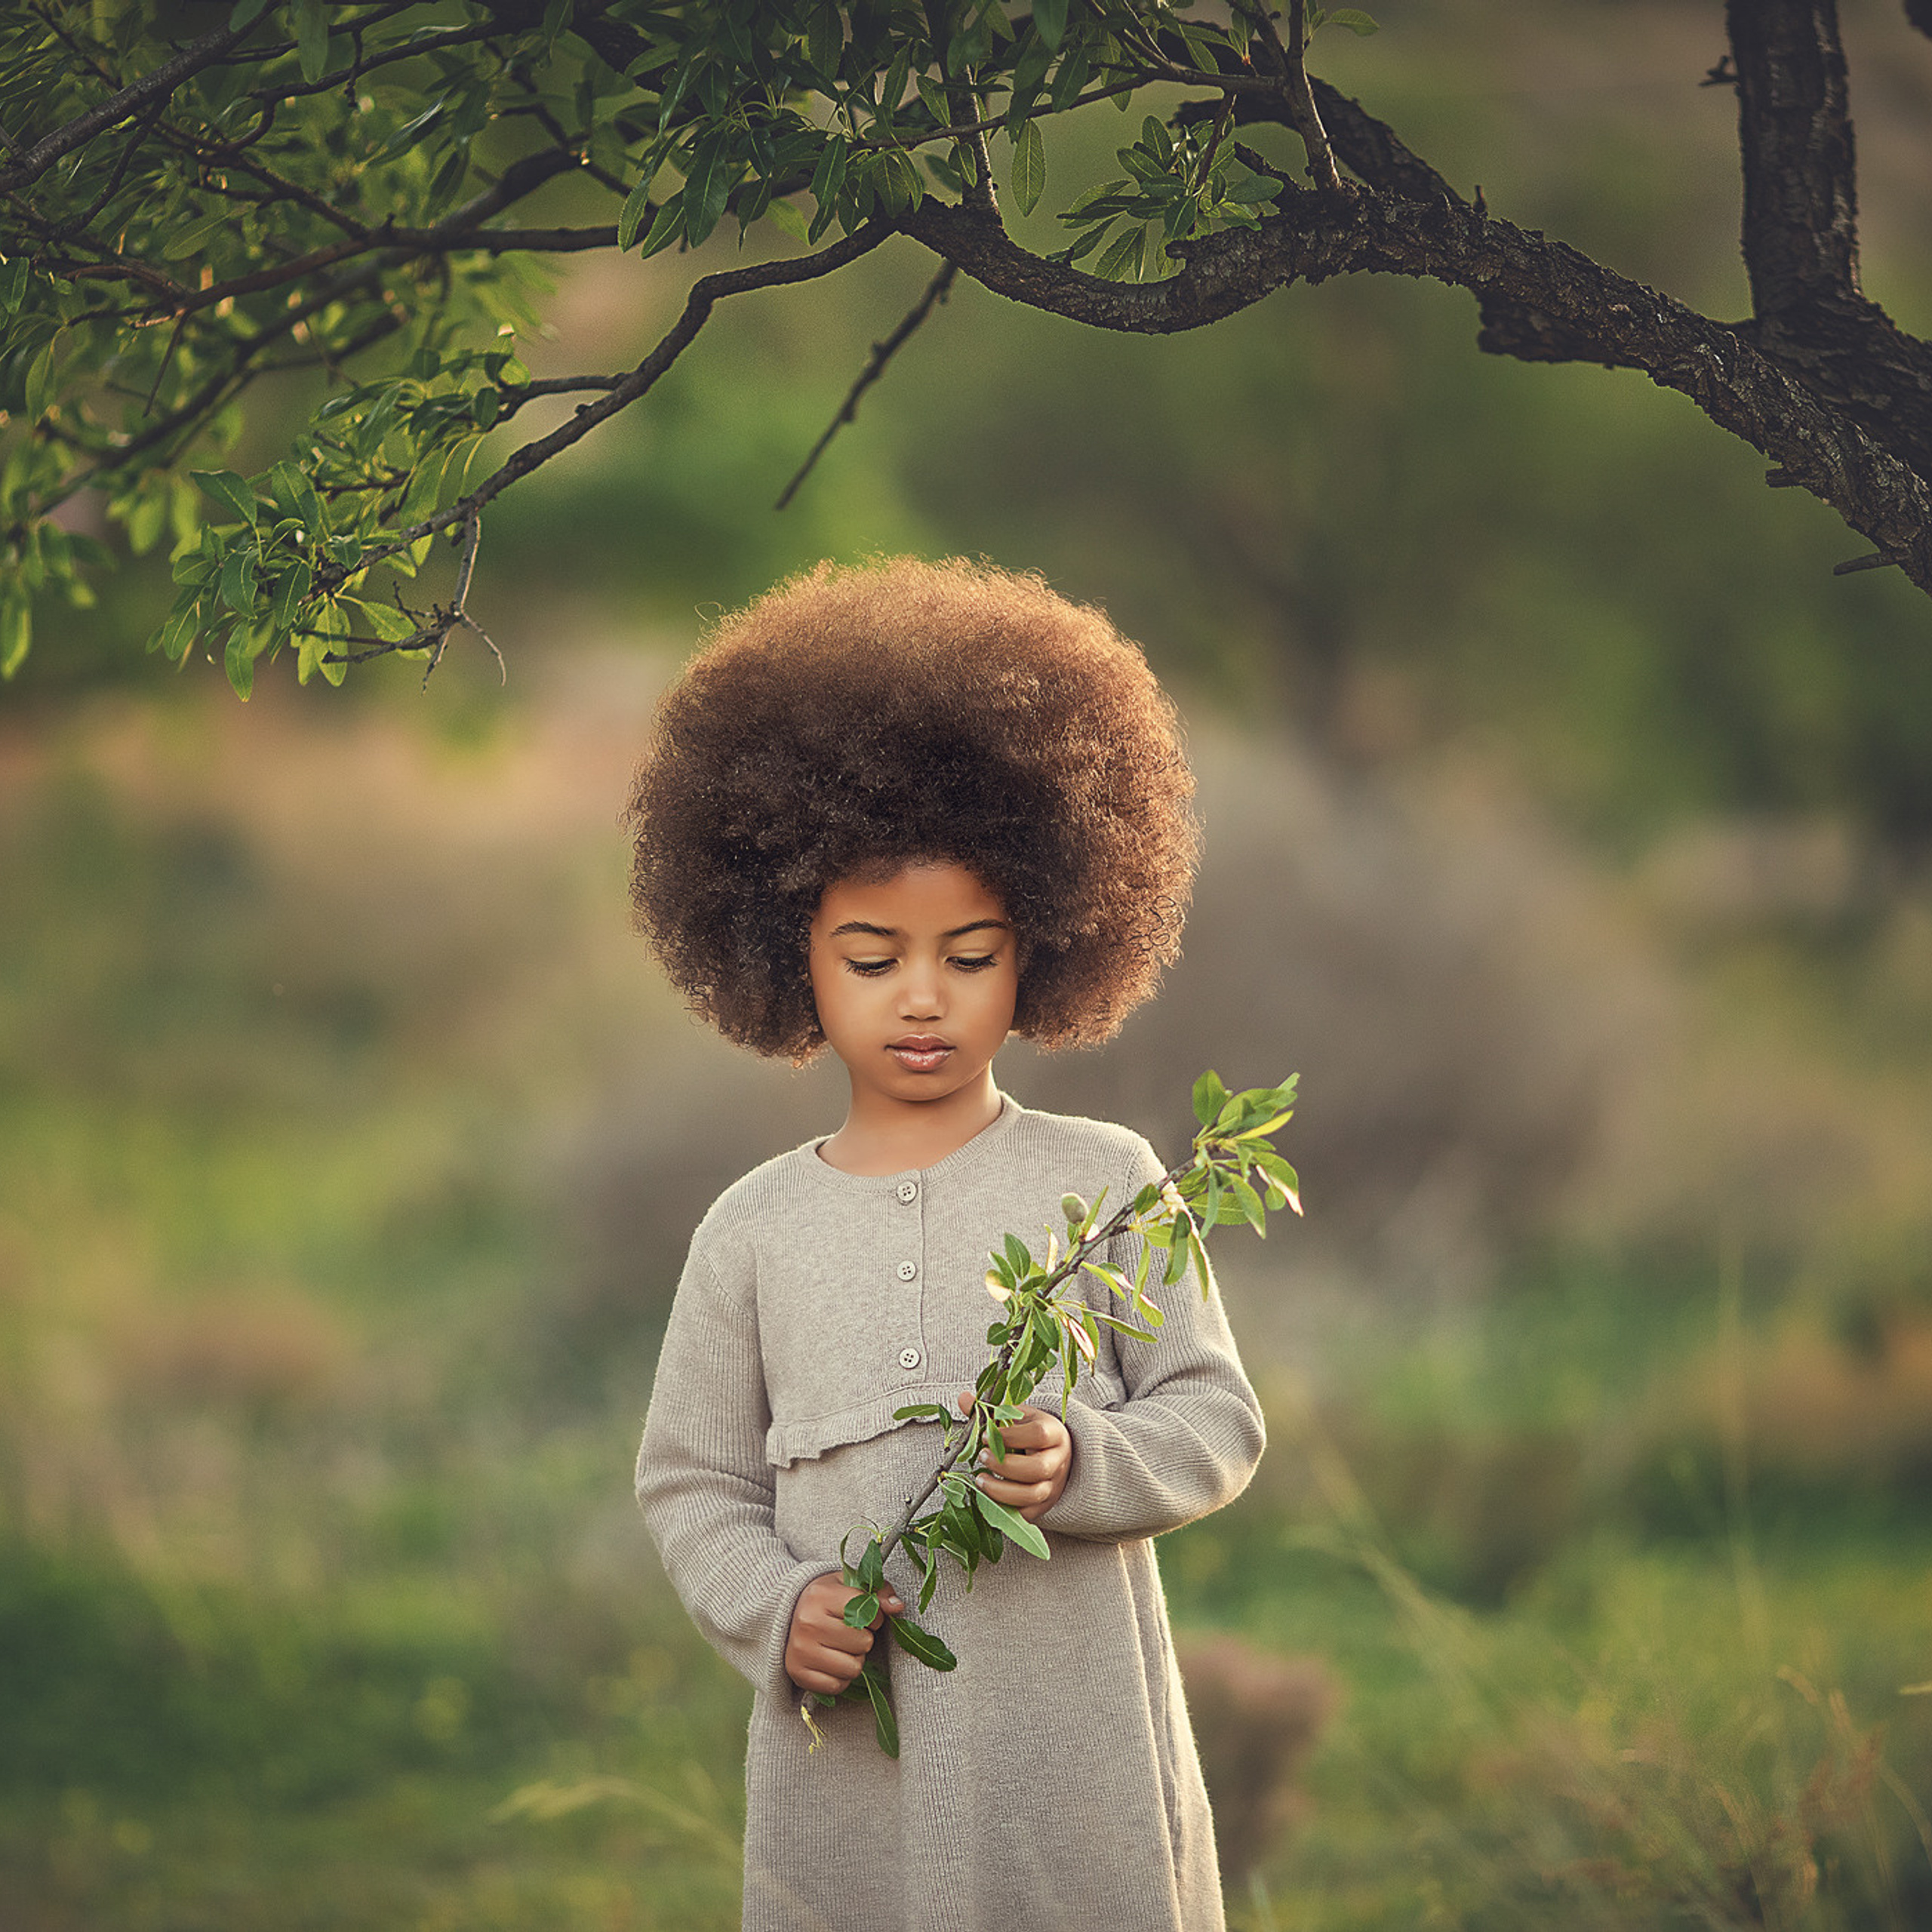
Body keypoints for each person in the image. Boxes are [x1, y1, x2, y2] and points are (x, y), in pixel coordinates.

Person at [629, 558, 1266, 1932]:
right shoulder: (751, 1229)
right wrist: (775, 1609)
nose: (922, 998)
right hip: (856, 1783)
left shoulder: (1110, 1183)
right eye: (872, 958)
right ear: (779, 946)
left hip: (1073, 1765)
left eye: (968, 955)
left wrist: (1087, 1457)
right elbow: (689, 1482)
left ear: (1046, 942)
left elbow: (1217, 1417)